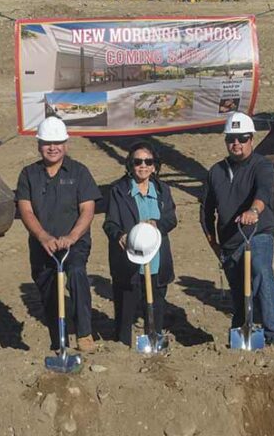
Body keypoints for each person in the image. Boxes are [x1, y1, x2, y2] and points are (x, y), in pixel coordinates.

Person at [200, 112, 274, 344]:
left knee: (261, 271)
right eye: (231, 138)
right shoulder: (215, 172)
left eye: (242, 138)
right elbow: (206, 213)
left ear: (251, 139)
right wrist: (214, 245)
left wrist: (253, 212)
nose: (236, 143)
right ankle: (241, 334)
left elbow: (264, 193)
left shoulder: (262, 165)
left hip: (257, 234)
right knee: (239, 293)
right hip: (229, 242)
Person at [16, 117, 101, 352]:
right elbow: (25, 209)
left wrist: (73, 236)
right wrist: (43, 236)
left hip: (74, 244)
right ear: (39, 145)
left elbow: (87, 209)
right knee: (49, 291)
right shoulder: (28, 174)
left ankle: (84, 333)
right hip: (42, 246)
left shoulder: (79, 172)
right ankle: (59, 340)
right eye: (47, 143)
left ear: (66, 144)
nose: (52, 148)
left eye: (57, 143)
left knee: (75, 273)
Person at [103, 141, 177, 346]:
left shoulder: (163, 190)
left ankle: (154, 337)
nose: (143, 166)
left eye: (148, 161)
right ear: (130, 165)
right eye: (137, 162)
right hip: (129, 259)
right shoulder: (119, 190)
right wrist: (120, 235)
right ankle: (123, 343)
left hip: (157, 259)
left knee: (155, 304)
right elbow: (109, 223)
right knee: (126, 306)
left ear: (154, 166)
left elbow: (171, 219)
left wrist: (158, 224)